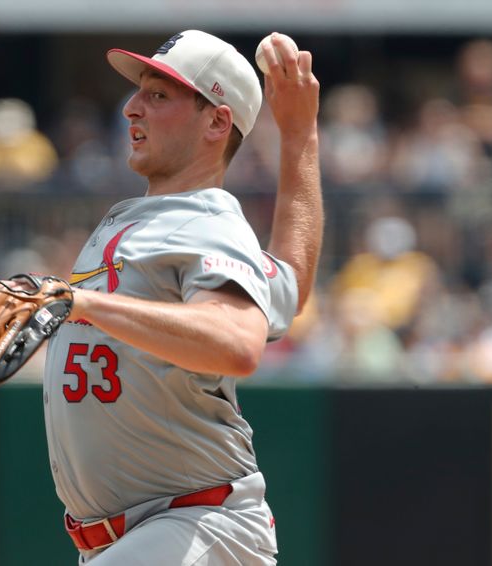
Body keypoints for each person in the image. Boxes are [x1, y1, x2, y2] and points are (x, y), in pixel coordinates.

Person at [42, 30, 322, 565]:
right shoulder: (153, 220)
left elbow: (238, 342)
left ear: (217, 121)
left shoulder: (207, 220)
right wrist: (300, 137)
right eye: (139, 92)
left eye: (158, 95)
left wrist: (84, 305)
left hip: (193, 523)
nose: (130, 108)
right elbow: (288, 282)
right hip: (151, 535)